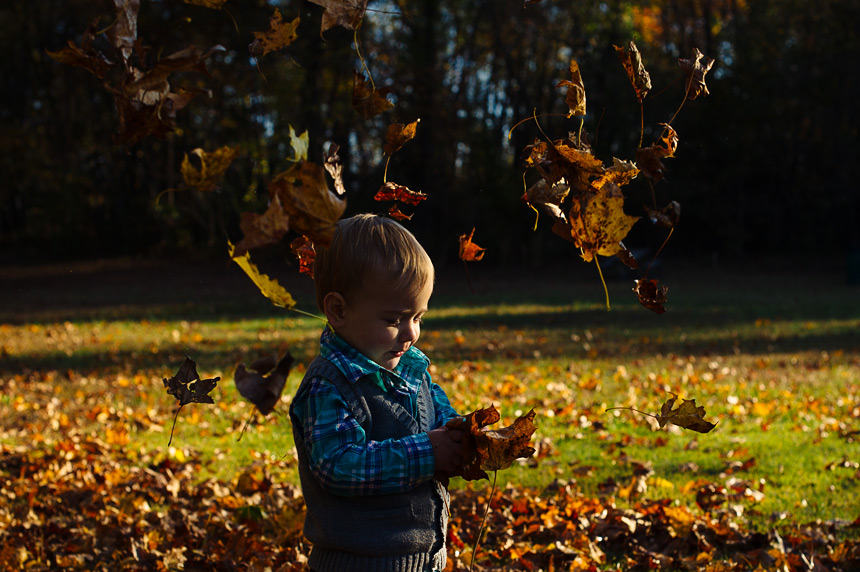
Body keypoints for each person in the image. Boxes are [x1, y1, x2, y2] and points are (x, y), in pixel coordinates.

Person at [289, 213, 464, 572]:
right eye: (393, 319)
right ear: (338, 310)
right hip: (358, 563)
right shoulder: (329, 385)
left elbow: (438, 415)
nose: (411, 333)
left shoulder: (411, 368)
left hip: (421, 559)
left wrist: (462, 436)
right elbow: (338, 465)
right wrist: (429, 453)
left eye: (418, 317)